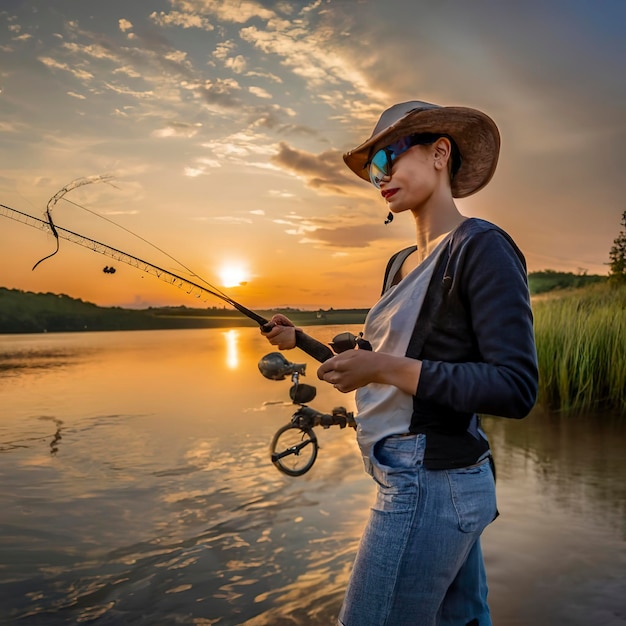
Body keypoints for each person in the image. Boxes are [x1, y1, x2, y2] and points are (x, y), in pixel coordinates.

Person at [262, 100, 538, 626]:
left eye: (389, 155)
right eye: (372, 170)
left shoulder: (481, 248)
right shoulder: (399, 264)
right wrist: (299, 341)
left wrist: (383, 369)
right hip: (411, 477)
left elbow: (515, 386)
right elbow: (378, 369)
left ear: (440, 153)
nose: (380, 176)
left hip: (434, 481)